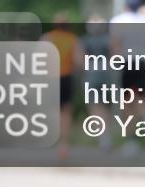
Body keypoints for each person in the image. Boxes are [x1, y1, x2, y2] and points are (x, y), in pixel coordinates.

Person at [110, 0, 145, 156]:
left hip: (127, 62)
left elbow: (116, 44)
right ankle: (135, 136)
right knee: (138, 98)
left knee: (128, 102)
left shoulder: (118, 21)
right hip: (142, 62)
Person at [43, 13, 81, 160]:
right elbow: (79, 60)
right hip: (67, 76)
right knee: (66, 111)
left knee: (52, 109)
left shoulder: (48, 38)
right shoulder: (73, 39)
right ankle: (64, 143)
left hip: (51, 77)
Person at [79, 15, 115, 150]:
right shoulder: (108, 39)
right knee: (106, 107)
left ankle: (103, 136)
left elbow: (81, 60)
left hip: (91, 75)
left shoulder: (84, 40)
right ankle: (107, 135)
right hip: (107, 74)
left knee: (95, 106)